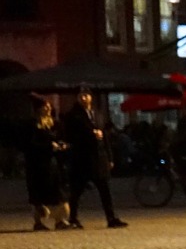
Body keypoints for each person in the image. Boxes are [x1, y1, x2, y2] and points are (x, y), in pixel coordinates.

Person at [63, 90, 127, 229]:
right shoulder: (73, 116)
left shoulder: (97, 114)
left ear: (91, 97)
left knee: (105, 189)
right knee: (77, 191)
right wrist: (90, 135)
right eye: (81, 96)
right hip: (82, 159)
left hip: (99, 158)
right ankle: (73, 218)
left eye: (86, 95)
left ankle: (111, 218)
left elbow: (105, 138)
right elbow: (70, 136)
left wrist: (110, 158)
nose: (83, 98)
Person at [22, 97, 69, 230]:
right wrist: (48, 146)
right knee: (38, 195)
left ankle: (59, 220)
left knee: (57, 193)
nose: (48, 108)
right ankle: (38, 222)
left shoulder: (55, 124)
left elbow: (63, 138)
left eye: (49, 106)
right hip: (36, 165)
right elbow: (29, 145)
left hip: (53, 164)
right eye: (45, 106)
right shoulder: (31, 125)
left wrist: (63, 145)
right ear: (38, 109)